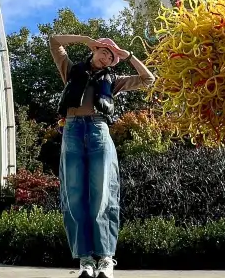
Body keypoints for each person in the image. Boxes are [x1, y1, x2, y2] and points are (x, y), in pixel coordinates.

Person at [50, 34, 155, 278]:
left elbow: (148, 79)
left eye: (111, 56)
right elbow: (55, 41)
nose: (107, 56)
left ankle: (106, 258)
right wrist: (85, 38)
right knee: (74, 193)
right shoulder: (70, 70)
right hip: (73, 130)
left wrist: (126, 54)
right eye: (103, 51)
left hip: (99, 130)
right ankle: (85, 259)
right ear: (93, 50)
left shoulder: (114, 80)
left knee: (103, 193)